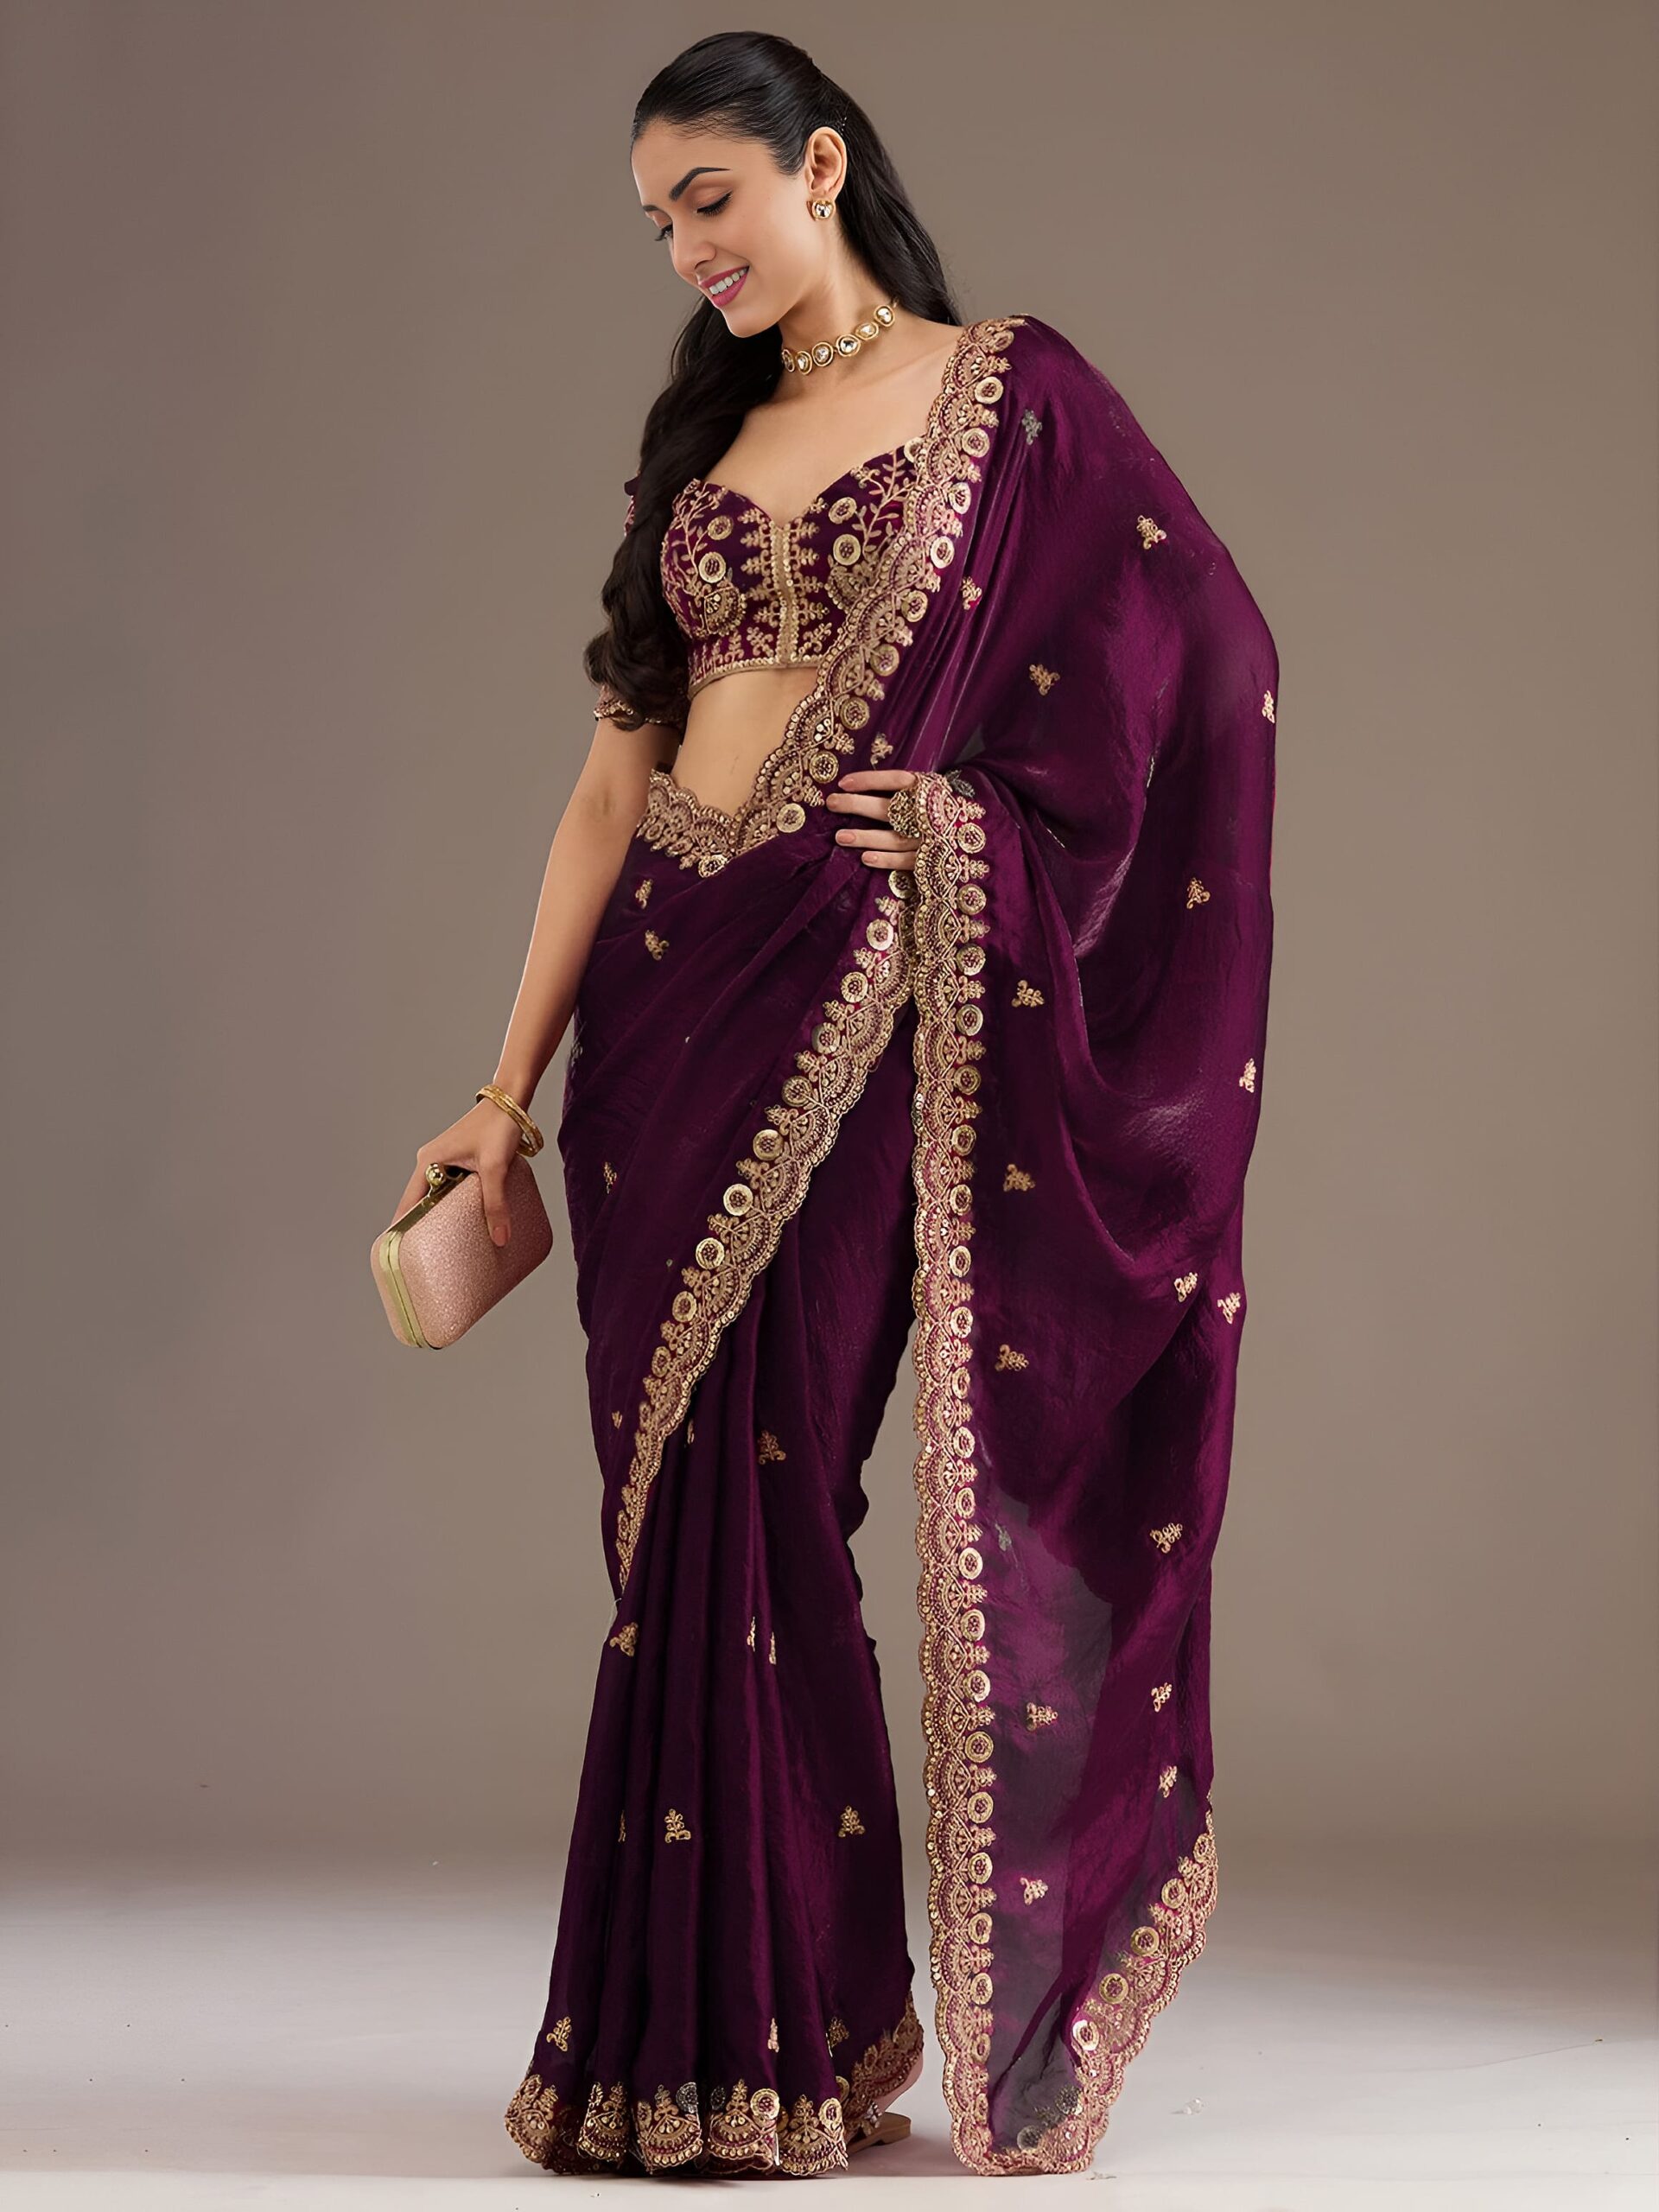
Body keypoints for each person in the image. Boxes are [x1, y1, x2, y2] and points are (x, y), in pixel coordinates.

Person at [394, 29, 1278, 2182]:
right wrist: (505, 1091)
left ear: (819, 163)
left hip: (858, 982)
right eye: (654, 223)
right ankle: (732, 2029)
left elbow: (1214, 664)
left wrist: (979, 830)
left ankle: (765, 2021)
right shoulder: (701, 446)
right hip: (661, 1004)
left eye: (707, 200)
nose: (683, 252)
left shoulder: (1017, 400)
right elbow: (608, 784)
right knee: (680, 1504)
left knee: (774, 1481)